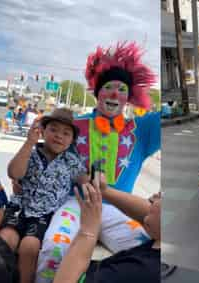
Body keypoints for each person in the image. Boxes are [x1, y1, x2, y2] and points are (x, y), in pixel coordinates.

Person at [37, 42, 160, 282]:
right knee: (53, 248)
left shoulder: (142, 129)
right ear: (98, 93)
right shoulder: (74, 125)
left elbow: (172, 118)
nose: (114, 93)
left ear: (128, 97)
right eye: (109, 87)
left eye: (121, 88)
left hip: (117, 209)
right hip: (76, 204)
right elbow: (47, 154)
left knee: (145, 248)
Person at [0, 108, 87, 283]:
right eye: (53, 129)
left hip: (43, 215)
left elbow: (86, 180)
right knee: (5, 239)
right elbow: (14, 173)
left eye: (66, 133)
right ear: (43, 131)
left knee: (30, 246)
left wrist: (97, 178)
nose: (59, 136)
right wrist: (29, 142)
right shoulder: (30, 153)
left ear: (72, 141)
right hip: (19, 208)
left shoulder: (71, 162)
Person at [53, 174, 160, 283]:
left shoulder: (135, 271)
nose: (152, 197)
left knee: (54, 248)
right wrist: (104, 190)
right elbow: (150, 214)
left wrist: (87, 232)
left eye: (161, 196)